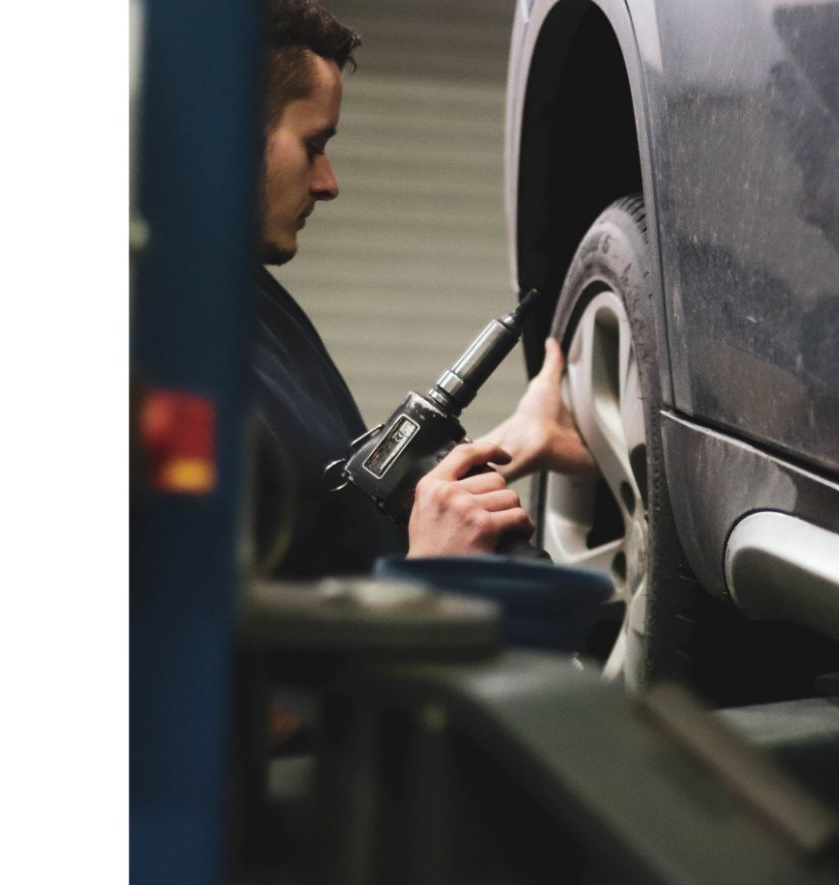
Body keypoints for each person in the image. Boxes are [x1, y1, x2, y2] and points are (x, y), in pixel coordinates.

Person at [250, 0, 595, 577]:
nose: (327, 182)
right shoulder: (153, 348)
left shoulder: (255, 303)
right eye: (314, 144)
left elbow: (335, 521)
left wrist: (518, 439)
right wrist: (430, 569)